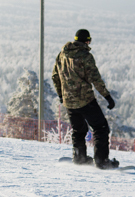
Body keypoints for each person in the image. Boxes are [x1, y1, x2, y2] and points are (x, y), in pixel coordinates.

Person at [51, 29, 119, 169]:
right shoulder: (85, 56)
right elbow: (96, 79)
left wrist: (61, 95)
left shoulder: (62, 54)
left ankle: (79, 157)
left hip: (69, 102)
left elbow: (55, 76)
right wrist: (107, 97)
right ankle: (101, 161)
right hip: (85, 100)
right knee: (101, 128)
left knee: (78, 130)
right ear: (87, 40)